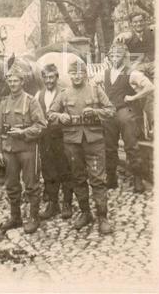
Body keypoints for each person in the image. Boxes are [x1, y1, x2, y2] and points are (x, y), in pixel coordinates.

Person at [48, 60, 115, 235]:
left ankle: (102, 217)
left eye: (80, 73)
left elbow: (111, 110)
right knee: (78, 177)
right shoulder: (64, 94)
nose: (77, 76)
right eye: (73, 73)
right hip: (72, 142)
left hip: (94, 141)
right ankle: (86, 213)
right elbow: (50, 114)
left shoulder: (95, 89)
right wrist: (60, 116)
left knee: (98, 179)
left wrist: (96, 112)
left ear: (85, 74)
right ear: (69, 75)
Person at [0, 61, 47, 234]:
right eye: (9, 81)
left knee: (31, 184)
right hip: (9, 151)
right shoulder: (4, 103)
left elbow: (41, 125)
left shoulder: (31, 101)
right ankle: (15, 217)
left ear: (22, 82)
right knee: (11, 185)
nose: (12, 84)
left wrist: (24, 132)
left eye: (15, 80)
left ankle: (33, 217)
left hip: (27, 150)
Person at [101, 43, 154, 193]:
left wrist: (134, 97)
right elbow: (93, 84)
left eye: (118, 55)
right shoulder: (105, 73)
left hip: (126, 112)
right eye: (113, 55)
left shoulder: (131, 73)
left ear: (124, 56)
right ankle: (111, 178)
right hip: (110, 113)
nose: (115, 58)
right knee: (109, 147)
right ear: (110, 57)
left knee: (131, 146)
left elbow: (150, 87)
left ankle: (138, 179)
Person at [36, 63, 74, 220]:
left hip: (62, 137)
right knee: (48, 171)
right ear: (43, 79)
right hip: (45, 139)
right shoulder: (39, 94)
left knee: (64, 169)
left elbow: (70, 114)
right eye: (46, 77)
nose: (49, 80)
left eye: (52, 77)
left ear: (57, 78)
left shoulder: (64, 93)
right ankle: (53, 203)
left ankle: (67, 202)